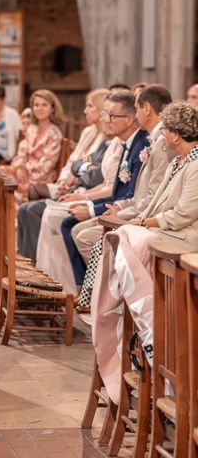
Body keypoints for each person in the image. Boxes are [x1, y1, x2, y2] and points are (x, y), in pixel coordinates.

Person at [92, 100, 198, 403]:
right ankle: (122, 306)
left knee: (128, 236)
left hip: (182, 240)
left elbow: (182, 215)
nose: (163, 135)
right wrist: (141, 221)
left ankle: (139, 307)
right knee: (122, 235)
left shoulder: (196, 164)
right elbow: (154, 205)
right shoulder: (179, 160)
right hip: (163, 232)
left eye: (166, 130)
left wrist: (145, 222)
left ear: (176, 134)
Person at [34, 91, 148, 294]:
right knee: (59, 218)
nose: (107, 120)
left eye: (112, 115)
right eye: (106, 114)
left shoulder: (141, 146)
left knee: (73, 227)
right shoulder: (125, 144)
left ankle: (92, 291)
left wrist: (91, 208)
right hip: (112, 204)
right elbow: (80, 166)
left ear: (130, 119)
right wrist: (89, 204)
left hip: (127, 212)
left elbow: (128, 194)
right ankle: (62, 283)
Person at [72, 84, 174, 311]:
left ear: (146, 108)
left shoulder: (160, 143)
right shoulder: (152, 140)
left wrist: (128, 216)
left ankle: (116, 302)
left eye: (137, 109)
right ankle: (101, 297)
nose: (136, 115)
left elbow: (155, 196)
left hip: (150, 218)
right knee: (85, 233)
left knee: (93, 238)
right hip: (139, 211)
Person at [17, 88, 111, 260]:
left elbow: (92, 172)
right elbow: (74, 162)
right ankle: (24, 259)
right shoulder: (88, 131)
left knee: (30, 207)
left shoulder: (108, 138)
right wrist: (64, 180)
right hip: (68, 184)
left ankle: (37, 262)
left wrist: (76, 173)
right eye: (36, 105)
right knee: (24, 208)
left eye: (89, 106)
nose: (85, 110)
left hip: (76, 188)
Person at [0, 89, 65, 204]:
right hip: (23, 173)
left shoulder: (54, 133)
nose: (40, 108)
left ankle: (13, 220)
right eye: (36, 105)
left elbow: (46, 166)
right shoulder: (31, 129)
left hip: (40, 179)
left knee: (11, 187)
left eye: (44, 105)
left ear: (52, 108)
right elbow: (21, 154)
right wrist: (19, 166)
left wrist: (24, 171)